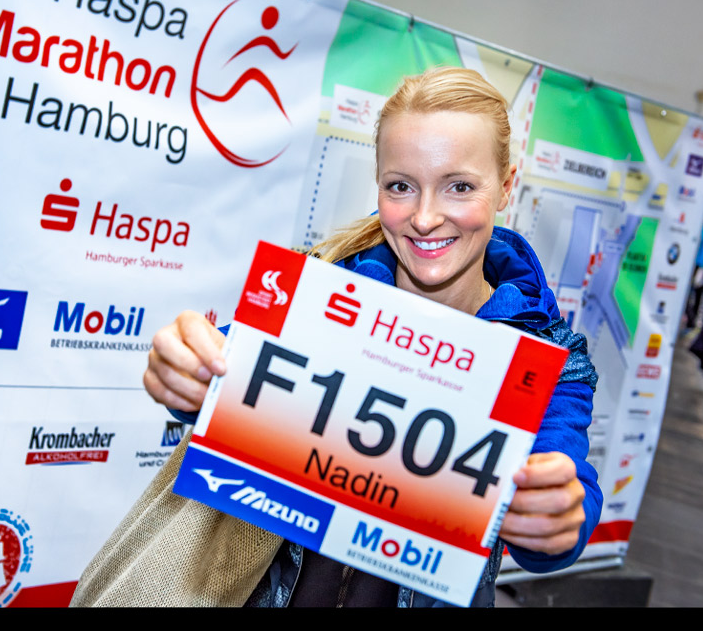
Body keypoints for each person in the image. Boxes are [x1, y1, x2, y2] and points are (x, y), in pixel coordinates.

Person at [139, 67, 602, 607]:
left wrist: (558, 514)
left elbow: (563, 491)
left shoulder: (547, 358)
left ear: (506, 187)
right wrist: (186, 369)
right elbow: (221, 370)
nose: (425, 218)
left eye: (459, 186)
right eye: (401, 186)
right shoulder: (319, 295)